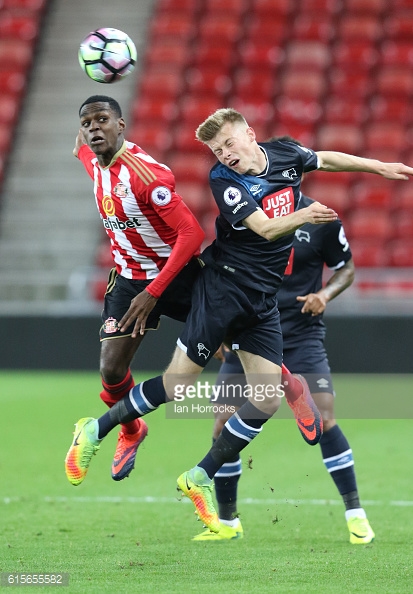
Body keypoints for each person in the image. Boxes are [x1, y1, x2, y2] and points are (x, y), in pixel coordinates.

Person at [65, 109, 413, 537]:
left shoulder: (284, 153)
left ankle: (199, 476)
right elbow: (266, 229)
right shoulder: (224, 181)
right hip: (224, 290)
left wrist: (376, 166)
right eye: (216, 150)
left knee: (265, 399)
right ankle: (96, 429)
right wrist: (307, 215)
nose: (224, 155)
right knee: (179, 385)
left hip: (262, 299)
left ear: (250, 135)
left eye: (229, 144)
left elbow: (323, 157)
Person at [193, 136, 374, 545]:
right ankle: (227, 522)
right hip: (251, 335)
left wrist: (325, 295)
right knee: (222, 422)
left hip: (300, 334)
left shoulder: (320, 217)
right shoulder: (246, 218)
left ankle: (355, 513)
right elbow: (223, 274)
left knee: (323, 418)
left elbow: (346, 268)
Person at [64, 95, 205, 485]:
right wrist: (84, 135)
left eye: (103, 120)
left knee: (234, 343)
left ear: (121, 125)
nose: (94, 128)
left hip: (175, 276)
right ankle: (131, 430)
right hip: (128, 278)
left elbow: (192, 233)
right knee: (111, 368)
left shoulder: (146, 176)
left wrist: (155, 291)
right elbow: (79, 148)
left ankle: (291, 388)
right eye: (88, 122)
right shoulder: (93, 160)